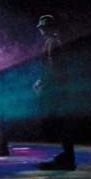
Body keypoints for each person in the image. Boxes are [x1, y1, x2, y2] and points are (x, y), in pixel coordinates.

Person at [33, 15, 76, 170]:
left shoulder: (52, 43)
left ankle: (68, 157)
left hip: (56, 91)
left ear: (49, 28)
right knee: (61, 124)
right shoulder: (52, 42)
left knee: (61, 123)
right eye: (41, 27)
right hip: (58, 89)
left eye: (43, 27)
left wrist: (44, 86)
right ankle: (67, 155)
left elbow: (53, 68)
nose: (41, 30)